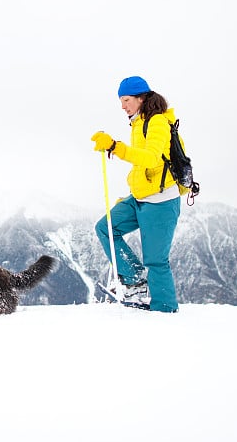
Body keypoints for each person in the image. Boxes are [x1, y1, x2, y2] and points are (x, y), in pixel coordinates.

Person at [91, 76, 181, 313]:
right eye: (121, 100)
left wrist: (115, 147)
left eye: (126, 99)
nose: (123, 105)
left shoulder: (158, 123)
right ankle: (134, 280)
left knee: (156, 261)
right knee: (106, 228)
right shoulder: (138, 123)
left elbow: (152, 157)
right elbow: (144, 166)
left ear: (142, 97)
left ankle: (165, 310)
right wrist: (134, 192)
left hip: (161, 202)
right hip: (140, 198)